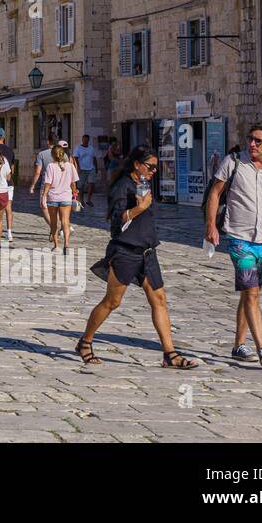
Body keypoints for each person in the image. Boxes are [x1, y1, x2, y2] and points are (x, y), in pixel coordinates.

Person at [78, 146, 197, 369]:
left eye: (156, 168)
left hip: (147, 252)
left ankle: (169, 354)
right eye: (150, 167)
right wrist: (140, 208)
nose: (154, 171)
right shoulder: (122, 186)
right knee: (112, 302)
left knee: (159, 299)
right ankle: (85, 342)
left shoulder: (143, 184)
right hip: (125, 251)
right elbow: (116, 223)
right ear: (137, 164)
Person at [204, 122, 262, 367]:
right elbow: (215, 193)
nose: (252, 144)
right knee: (252, 292)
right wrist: (211, 226)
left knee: (249, 293)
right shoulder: (233, 162)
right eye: (250, 139)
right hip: (237, 236)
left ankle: (238, 345)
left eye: (258, 140)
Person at [41, 140, 80, 250]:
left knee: (54, 222)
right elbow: (73, 183)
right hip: (66, 197)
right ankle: (66, 244)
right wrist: (75, 191)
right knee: (65, 221)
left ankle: (56, 245)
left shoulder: (50, 166)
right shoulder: (70, 166)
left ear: (53, 155)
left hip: (53, 197)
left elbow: (47, 184)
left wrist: (43, 196)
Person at [27, 135, 58, 242]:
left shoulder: (42, 154)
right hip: (60, 184)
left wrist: (32, 185)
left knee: (43, 206)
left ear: (48, 142)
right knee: (56, 207)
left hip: (46, 183)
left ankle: (54, 227)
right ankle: (54, 228)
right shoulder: (63, 154)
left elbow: (37, 172)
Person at [73, 134, 98, 205]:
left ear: (88, 140)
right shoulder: (78, 148)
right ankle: (81, 200)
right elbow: (75, 158)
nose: (85, 141)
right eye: (84, 139)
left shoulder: (91, 148)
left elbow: (94, 158)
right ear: (82, 139)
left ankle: (89, 200)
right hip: (82, 169)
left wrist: (96, 167)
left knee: (91, 183)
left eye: (87, 139)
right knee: (81, 186)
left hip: (91, 168)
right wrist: (78, 167)